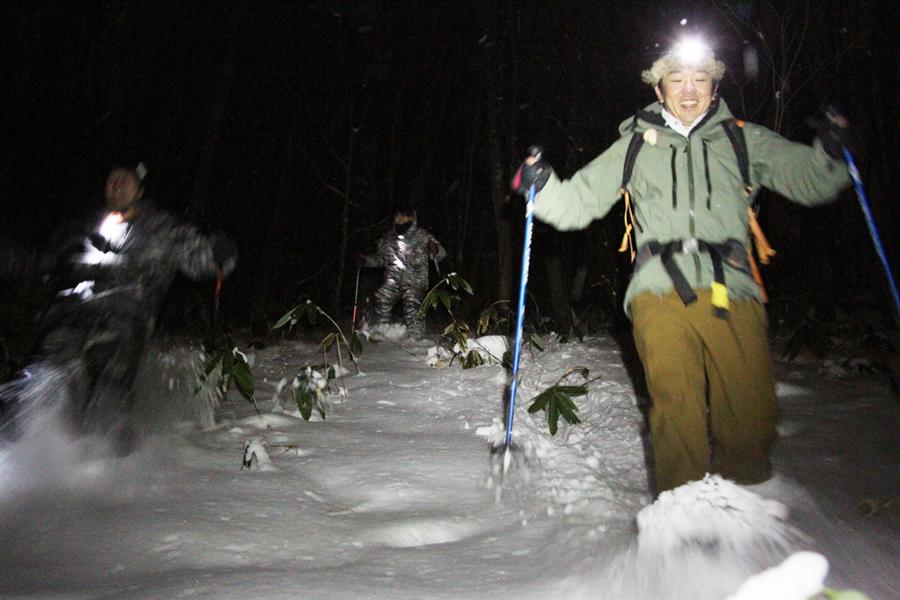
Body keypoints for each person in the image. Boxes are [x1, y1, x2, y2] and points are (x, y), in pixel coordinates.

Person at [512, 37, 852, 494]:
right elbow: (577, 202)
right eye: (676, 78)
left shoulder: (742, 137)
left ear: (714, 87)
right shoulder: (634, 144)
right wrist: (543, 185)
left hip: (731, 285)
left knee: (751, 413)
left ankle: (748, 502)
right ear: (659, 89)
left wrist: (831, 153)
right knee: (677, 406)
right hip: (658, 288)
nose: (689, 89)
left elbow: (810, 180)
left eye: (700, 79)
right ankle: (681, 516)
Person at [1, 164, 236, 445]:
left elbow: (201, 258)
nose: (117, 185)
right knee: (47, 373)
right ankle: (19, 441)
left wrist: (220, 254)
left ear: (140, 190)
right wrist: (12, 257)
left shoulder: (160, 228)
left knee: (108, 372)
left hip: (126, 316)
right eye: (112, 180)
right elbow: (44, 261)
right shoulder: (84, 228)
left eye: (126, 181)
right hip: (70, 315)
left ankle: (107, 454)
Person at [357, 209, 446, 338]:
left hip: (415, 280)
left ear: (412, 220)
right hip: (393, 280)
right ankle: (382, 331)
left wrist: (435, 249)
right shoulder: (389, 238)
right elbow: (381, 258)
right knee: (382, 296)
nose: (400, 222)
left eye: (403, 219)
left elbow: (441, 254)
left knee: (412, 301)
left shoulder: (422, 236)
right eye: (397, 219)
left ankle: (416, 337)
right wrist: (366, 260)